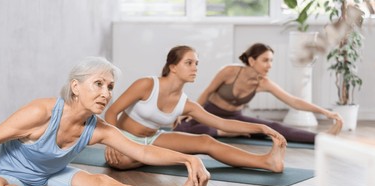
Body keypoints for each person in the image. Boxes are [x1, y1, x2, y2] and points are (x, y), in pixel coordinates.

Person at [0, 57, 210, 186]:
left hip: (50, 175)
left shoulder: (98, 129)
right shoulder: (41, 112)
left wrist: (188, 159)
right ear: (75, 87)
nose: (106, 94)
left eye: (110, 87)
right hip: (9, 175)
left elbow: (142, 152)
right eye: (98, 84)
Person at [104, 45, 286, 174]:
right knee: (122, 161)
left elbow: (222, 123)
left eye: (197, 63)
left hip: (153, 139)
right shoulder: (146, 84)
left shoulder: (186, 104)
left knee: (206, 141)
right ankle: (162, 158)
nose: (195, 68)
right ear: (173, 67)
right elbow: (112, 112)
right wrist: (114, 142)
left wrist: (262, 128)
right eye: (189, 63)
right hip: (125, 139)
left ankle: (266, 161)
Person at [174, 43, 343, 144]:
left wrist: (325, 112)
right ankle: (225, 132)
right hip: (210, 112)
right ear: (252, 60)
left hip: (235, 118)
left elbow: (293, 101)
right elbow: (207, 92)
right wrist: (192, 111)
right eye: (265, 60)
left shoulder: (263, 82)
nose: (269, 65)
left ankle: (320, 138)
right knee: (182, 127)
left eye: (271, 61)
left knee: (272, 127)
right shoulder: (229, 71)